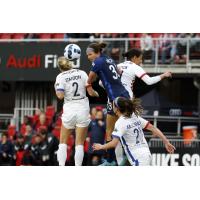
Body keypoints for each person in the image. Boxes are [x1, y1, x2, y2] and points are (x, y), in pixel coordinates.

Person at [93, 97, 176, 166]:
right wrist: (166, 142)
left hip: (138, 158)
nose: (112, 106)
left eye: (113, 105)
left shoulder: (120, 122)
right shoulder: (134, 116)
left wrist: (101, 146)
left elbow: (114, 143)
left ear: (117, 109)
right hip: (146, 153)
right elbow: (153, 128)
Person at [86, 42, 130, 165]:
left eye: (90, 54)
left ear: (97, 53)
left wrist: (88, 86)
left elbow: (90, 78)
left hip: (114, 98)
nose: (88, 57)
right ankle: (124, 156)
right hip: (124, 93)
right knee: (125, 127)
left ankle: (111, 161)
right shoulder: (108, 58)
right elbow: (119, 72)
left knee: (110, 131)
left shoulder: (98, 61)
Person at [55, 56, 99, 166]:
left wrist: (56, 88)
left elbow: (60, 96)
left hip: (69, 107)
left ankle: (61, 165)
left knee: (63, 142)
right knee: (79, 143)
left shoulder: (60, 77)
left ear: (60, 67)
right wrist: (97, 94)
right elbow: (90, 92)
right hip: (82, 108)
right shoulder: (82, 73)